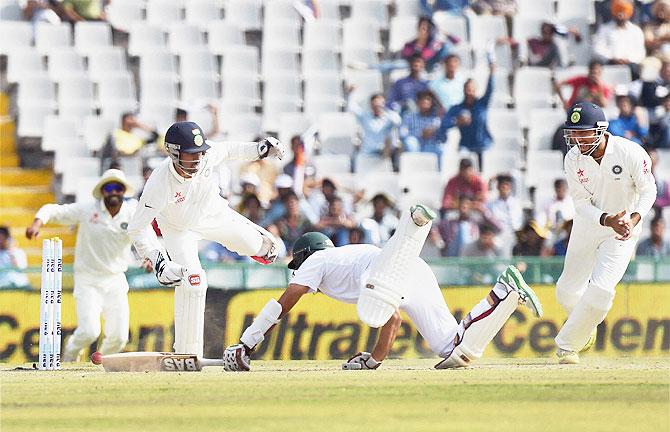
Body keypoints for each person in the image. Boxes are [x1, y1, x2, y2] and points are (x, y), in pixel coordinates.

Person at [220, 206, 542, 372]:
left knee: (377, 309)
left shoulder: (317, 261)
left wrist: (246, 344)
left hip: (384, 269)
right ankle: (503, 292)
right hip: (411, 270)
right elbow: (394, 320)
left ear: (305, 255)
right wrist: (374, 358)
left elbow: (282, 304)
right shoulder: (341, 259)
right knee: (454, 351)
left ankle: (413, 223)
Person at [127, 122, 286, 357]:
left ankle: (256, 245)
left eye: (199, 154)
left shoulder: (206, 155)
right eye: (189, 156)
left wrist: (260, 149)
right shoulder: (159, 183)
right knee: (193, 282)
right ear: (173, 153)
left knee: (267, 249)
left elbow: (231, 150)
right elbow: (137, 228)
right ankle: (186, 354)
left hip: (214, 214)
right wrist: (158, 260)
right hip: (178, 229)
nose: (197, 161)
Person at [555, 102, 657, 364]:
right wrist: (605, 219)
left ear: (600, 130)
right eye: (573, 133)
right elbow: (580, 204)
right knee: (566, 292)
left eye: (583, 132)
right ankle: (584, 331)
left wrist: (632, 220)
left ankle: (567, 346)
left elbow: (649, 191)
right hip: (590, 224)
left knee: (601, 290)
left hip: (623, 229)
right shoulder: (573, 158)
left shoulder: (630, 152)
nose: (577, 139)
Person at [25, 169, 153, 361]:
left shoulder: (132, 212)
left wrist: (149, 256)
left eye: (118, 188)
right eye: (109, 188)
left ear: (123, 191)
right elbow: (54, 210)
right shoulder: (88, 210)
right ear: (102, 191)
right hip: (88, 279)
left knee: (119, 337)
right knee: (89, 331)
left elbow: (147, 237)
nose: (113, 192)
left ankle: (102, 365)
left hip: (115, 279)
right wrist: (37, 223)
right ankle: (69, 357)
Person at [437, 58, 496, 167]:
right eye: (467, 89)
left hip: (483, 145)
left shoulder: (482, 104)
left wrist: (492, 74)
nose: (470, 92)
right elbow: (444, 123)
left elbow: (490, 90)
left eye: (472, 89)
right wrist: (456, 121)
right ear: (464, 90)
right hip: (466, 146)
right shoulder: (457, 108)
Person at [592, 0, 646, 79]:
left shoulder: (636, 31)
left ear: (629, 14)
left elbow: (640, 52)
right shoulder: (604, 29)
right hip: (610, 64)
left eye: (624, 12)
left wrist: (628, 59)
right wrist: (613, 58)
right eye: (618, 12)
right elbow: (597, 49)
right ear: (613, 13)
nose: (621, 15)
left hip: (630, 65)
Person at [347, 89, 401, 158]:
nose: (377, 107)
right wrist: (352, 93)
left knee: (393, 133)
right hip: (368, 151)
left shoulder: (390, 116)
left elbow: (398, 121)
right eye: (375, 104)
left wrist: (387, 111)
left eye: (380, 104)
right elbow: (352, 108)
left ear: (384, 103)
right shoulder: (365, 116)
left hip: (385, 151)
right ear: (371, 105)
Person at [399, 90, 443, 164]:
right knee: (410, 141)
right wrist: (420, 134)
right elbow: (402, 133)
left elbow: (441, 135)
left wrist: (432, 132)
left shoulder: (435, 118)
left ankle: (438, 173)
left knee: (440, 149)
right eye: (423, 99)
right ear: (417, 102)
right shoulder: (409, 116)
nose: (426, 102)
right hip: (414, 144)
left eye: (428, 100)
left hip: (430, 144)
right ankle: (413, 167)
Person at [487, 174, 523, 255]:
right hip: (498, 236)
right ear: (498, 187)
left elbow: (518, 222)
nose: (505, 188)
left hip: (515, 235)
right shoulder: (491, 204)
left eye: (507, 185)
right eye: (502, 185)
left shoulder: (516, 203)